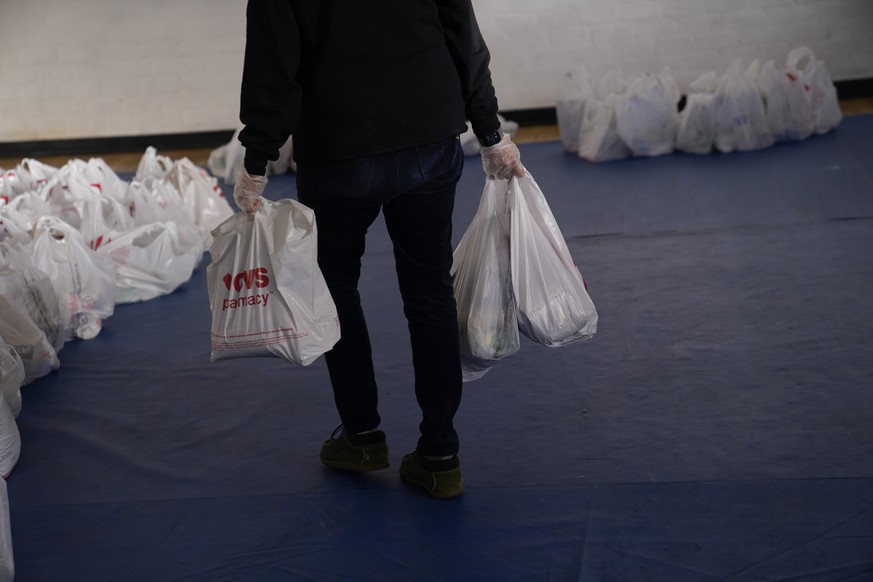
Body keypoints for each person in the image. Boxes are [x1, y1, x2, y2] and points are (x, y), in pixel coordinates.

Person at [233, 1, 524, 499]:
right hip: (429, 135)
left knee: (336, 287)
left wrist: (257, 159)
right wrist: (490, 131)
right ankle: (440, 455)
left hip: (338, 147)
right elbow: (464, 38)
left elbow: (272, 65)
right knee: (429, 290)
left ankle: (362, 437)